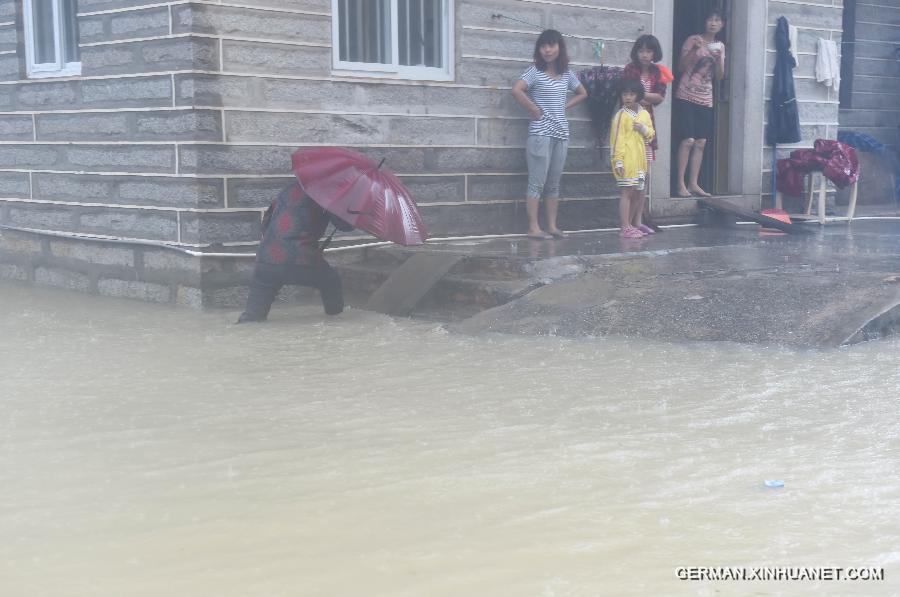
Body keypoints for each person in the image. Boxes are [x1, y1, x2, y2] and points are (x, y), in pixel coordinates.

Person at [237, 181, 353, 323]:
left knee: (252, 317)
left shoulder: (288, 188)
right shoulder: (327, 192)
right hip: (300, 258)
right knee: (331, 280)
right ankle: (335, 322)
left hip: (265, 261)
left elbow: (266, 223)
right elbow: (345, 226)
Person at [511, 29, 587, 240]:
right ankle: (533, 227)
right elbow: (516, 90)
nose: (547, 49)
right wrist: (532, 108)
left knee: (554, 183)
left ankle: (552, 226)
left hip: (561, 134)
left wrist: (565, 106)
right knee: (537, 182)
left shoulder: (567, 73)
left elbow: (583, 93)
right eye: (543, 46)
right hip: (540, 134)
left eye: (551, 45)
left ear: (559, 47)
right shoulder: (534, 71)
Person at [673, 9, 726, 198]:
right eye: (710, 19)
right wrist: (695, 50)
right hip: (686, 94)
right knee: (688, 140)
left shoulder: (720, 46)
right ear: (704, 23)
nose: (713, 23)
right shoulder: (692, 40)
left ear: (721, 25)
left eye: (717, 20)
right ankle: (680, 184)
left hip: (706, 97)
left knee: (701, 142)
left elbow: (719, 77)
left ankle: (693, 183)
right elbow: (680, 67)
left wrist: (719, 59)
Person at [622, 34, 668, 234]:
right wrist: (645, 97)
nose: (645, 55)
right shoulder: (629, 69)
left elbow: (660, 97)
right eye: (641, 50)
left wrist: (640, 95)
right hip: (629, 125)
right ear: (636, 52)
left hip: (647, 127)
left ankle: (638, 220)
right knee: (630, 178)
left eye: (649, 51)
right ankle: (627, 224)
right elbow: (627, 96)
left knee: (644, 178)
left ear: (655, 53)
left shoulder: (659, 72)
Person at [610, 79, 655, 238]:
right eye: (625, 94)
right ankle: (624, 227)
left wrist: (644, 130)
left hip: (640, 160)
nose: (628, 97)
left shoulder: (644, 113)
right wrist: (618, 160)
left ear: (638, 95)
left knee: (638, 192)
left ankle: (631, 224)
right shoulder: (621, 115)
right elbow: (616, 140)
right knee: (627, 192)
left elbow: (651, 134)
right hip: (627, 160)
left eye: (632, 94)